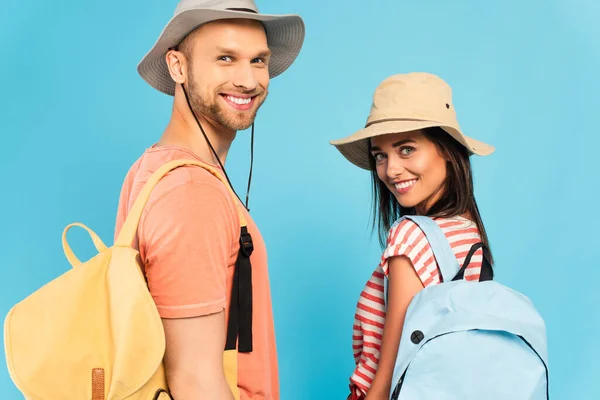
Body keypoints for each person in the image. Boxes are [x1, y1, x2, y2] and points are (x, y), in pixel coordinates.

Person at [113, 1, 305, 399]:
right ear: (178, 66)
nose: (248, 80)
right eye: (225, 58)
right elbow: (194, 379)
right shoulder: (190, 192)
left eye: (258, 60)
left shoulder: (152, 168)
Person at [329, 72, 496, 400]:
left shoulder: (410, 236)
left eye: (406, 149)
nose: (390, 170)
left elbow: (391, 367)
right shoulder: (469, 232)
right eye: (380, 155)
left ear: (446, 150)